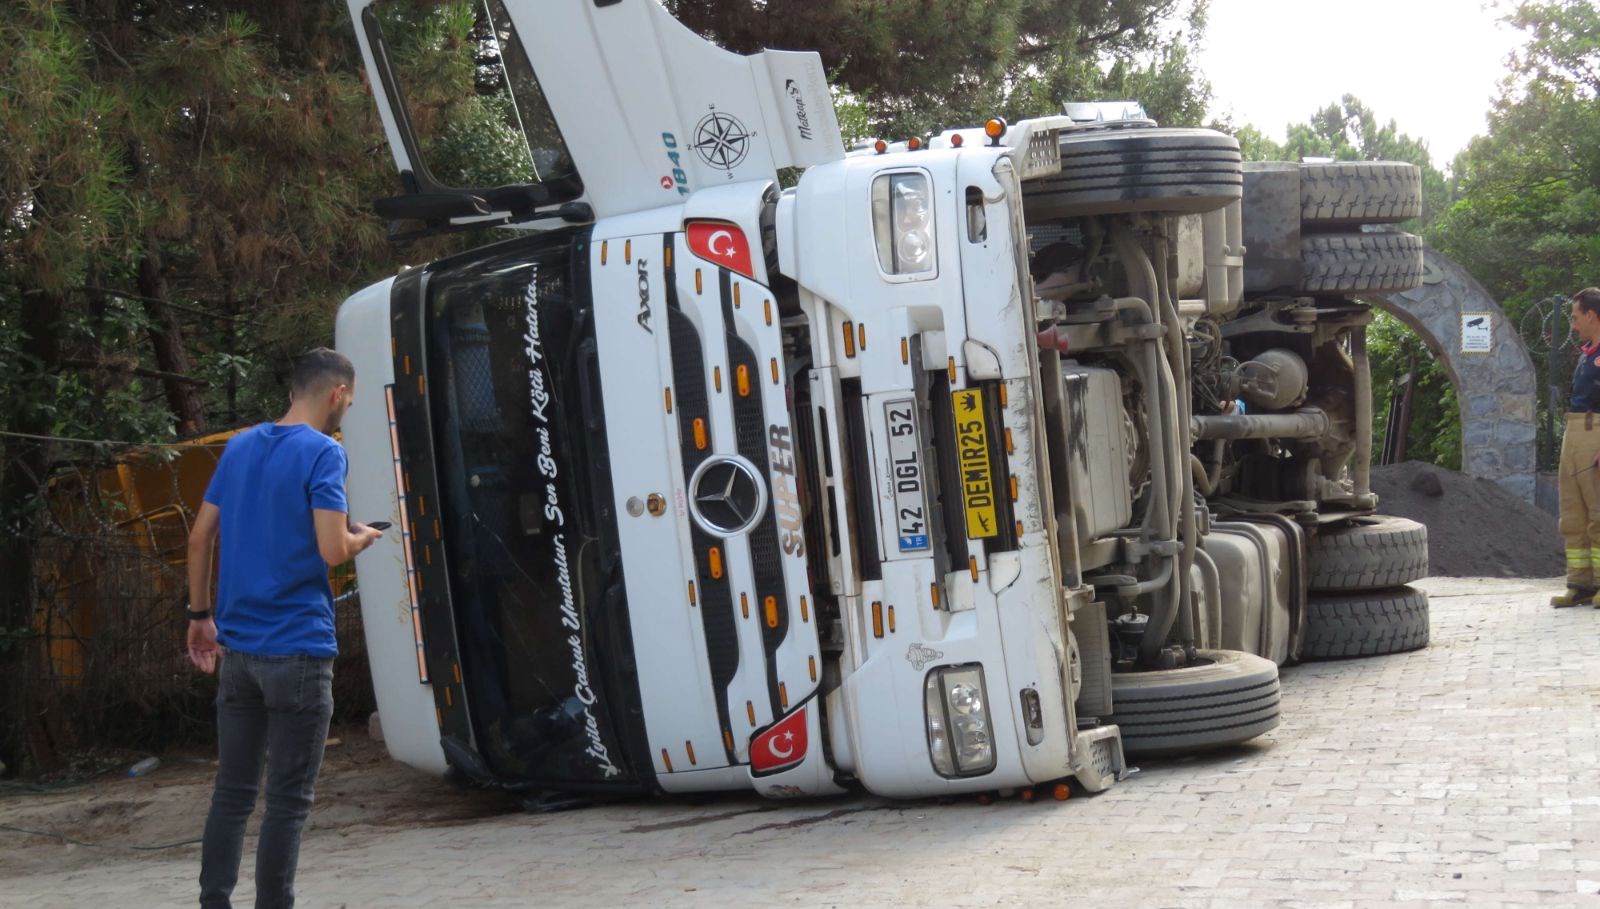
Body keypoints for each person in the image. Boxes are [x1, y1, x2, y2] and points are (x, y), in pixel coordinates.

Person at [185, 348, 384, 908]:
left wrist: (200, 618)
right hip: (298, 649)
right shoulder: (325, 453)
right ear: (337, 394)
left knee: (233, 793)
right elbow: (330, 548)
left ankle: (214, 902)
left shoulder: (241, 445)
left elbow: (199, 538)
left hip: (239, 653)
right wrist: (361, 537)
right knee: (288, 800)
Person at [1553, 287, 1600, 607]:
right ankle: (1580, 584)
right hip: (1573, 433)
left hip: (1594, 433)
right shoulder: (1587, 354)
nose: (1572, 324)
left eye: (1575, 317)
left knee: (1598, 511)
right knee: (1573, 513)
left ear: (1591, 315)